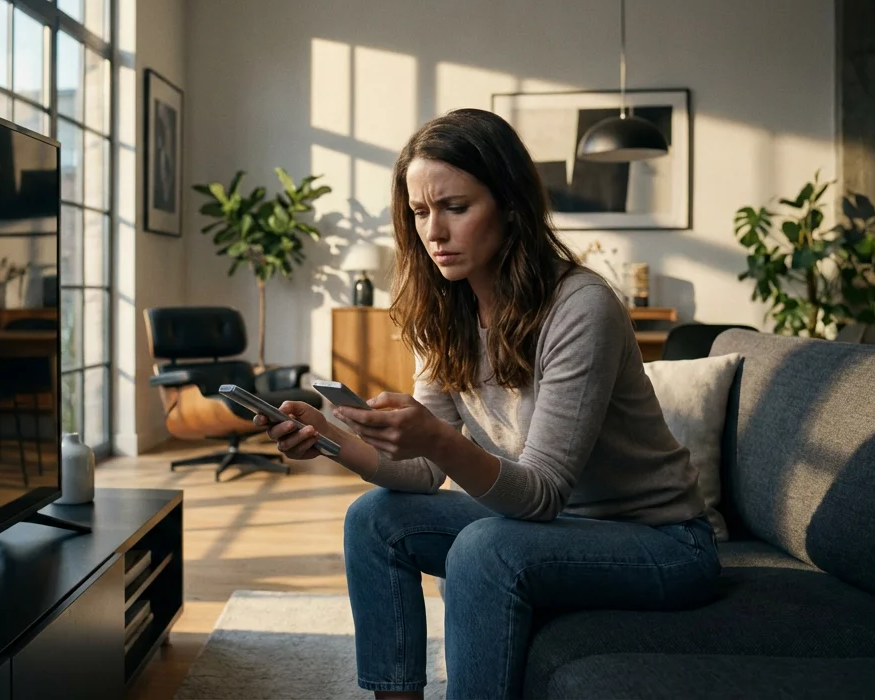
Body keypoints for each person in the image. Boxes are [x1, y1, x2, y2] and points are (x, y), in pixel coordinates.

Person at [254, 109, 720, 700]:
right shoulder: (443, 310)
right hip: (550, 530)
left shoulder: (580, 307)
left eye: (456, 207)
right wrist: (329, 437)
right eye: (420, 212)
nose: (434, 233)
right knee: (372, 519)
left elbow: (543, 492)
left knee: (484, 547)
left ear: (510, 204)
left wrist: (440, 439)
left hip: (661, 544)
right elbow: (423, 474)